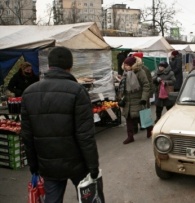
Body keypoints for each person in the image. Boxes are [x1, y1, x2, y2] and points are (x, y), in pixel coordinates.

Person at [20, 47, 100, 202]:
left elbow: (27, 136)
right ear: (70, 66)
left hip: (47, 163)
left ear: (49, 65)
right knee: (88, 198)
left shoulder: (29, 92)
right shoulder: (77, 91)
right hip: (77, 163)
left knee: (52, 199)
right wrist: (93, 166)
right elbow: (86, 135)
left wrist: (33, 165)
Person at [118, 56, 152, 144]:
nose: (125, 67)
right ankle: (130, 136)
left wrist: (144, 98)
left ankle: (149, 129)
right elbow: (124, 87)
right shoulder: (125, 73)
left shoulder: (140, 72)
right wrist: (121, 98)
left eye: (127, 65)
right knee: (128, 118)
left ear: (132, 65)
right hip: (128, 100)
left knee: (141, 117)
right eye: (125, 65)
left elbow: (146, 85)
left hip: (138, 99)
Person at [132, 52, 154, 132]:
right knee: (135, 111)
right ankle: (135, 127)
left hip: (144, 93)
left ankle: (144, 125)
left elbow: (149, 82)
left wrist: (149, 93)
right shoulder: (132, 68)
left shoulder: (145, 69)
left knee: (144, 110)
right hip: (135, 94)